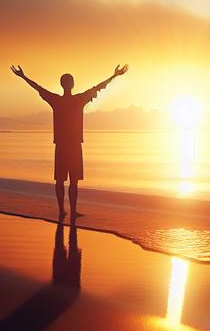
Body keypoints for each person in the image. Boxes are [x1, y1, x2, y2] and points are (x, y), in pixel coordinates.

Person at [11, 63, 128, 220]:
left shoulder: (57, 100)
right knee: (72, 181)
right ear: (72, 84)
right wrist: (114, 76)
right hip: (72, 146)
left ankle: (63, 210)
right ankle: (71, 210)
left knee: (61, 180)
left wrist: (23, 77)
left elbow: (38, 88)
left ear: (62, 84)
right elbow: (99, 87)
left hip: (62, 145)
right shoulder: (78, 99)